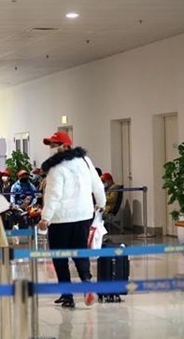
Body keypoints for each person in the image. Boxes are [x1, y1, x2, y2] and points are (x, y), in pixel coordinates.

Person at [38, 131, 106, 309]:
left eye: (54, 145)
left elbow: (54, 195)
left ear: (66, 146)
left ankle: (67, 294)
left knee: (59, 257)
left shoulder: (56, 168)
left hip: (61, 219)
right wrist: (101, 203)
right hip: (84, 215)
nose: (52, 149)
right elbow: (97, 184)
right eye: (51, 145)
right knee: (80, 251)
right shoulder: (85, 161)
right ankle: (87, 283)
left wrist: (45, 218)